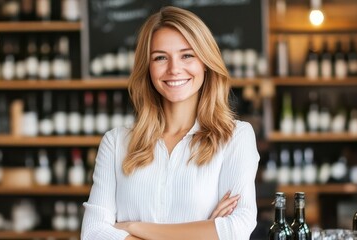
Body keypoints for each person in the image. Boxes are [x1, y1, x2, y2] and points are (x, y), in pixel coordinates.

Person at [81, 6, 259, 240]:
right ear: (148, 67)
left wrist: (134, 227)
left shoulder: (235, 137)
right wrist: (204, 230)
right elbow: (93, 234)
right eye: (160, 58)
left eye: (187, 55)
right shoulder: (116, 143)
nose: (174, 69)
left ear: (205, 62)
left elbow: (236, 229)